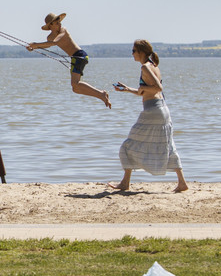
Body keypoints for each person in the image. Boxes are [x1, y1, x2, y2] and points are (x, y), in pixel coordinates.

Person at [109, 40, 189, 192]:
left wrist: (141, 89)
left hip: (153, 111)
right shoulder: (153, 66)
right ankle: (182, 183)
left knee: (128, 145)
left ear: (141, 52)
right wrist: (127, 89)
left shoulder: (145, 66)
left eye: (133, 51)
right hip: (162, 110)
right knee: (168, 145)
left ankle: (125, 183)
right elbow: (147, 91)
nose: (132, 54)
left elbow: (157, 88)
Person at [28, 12, 112, 108]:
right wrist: (34, 47)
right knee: (75, 88)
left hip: (80, 55)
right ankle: (101, 95)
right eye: (57, 23)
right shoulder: (50, 37)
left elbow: (54, 43)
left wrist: (36, 44)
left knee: (74, 84)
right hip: (75, 58)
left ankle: (101, 94)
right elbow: (48, 44)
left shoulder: (63, 31)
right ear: (50, 26)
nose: (60, 24)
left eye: (60, 22)